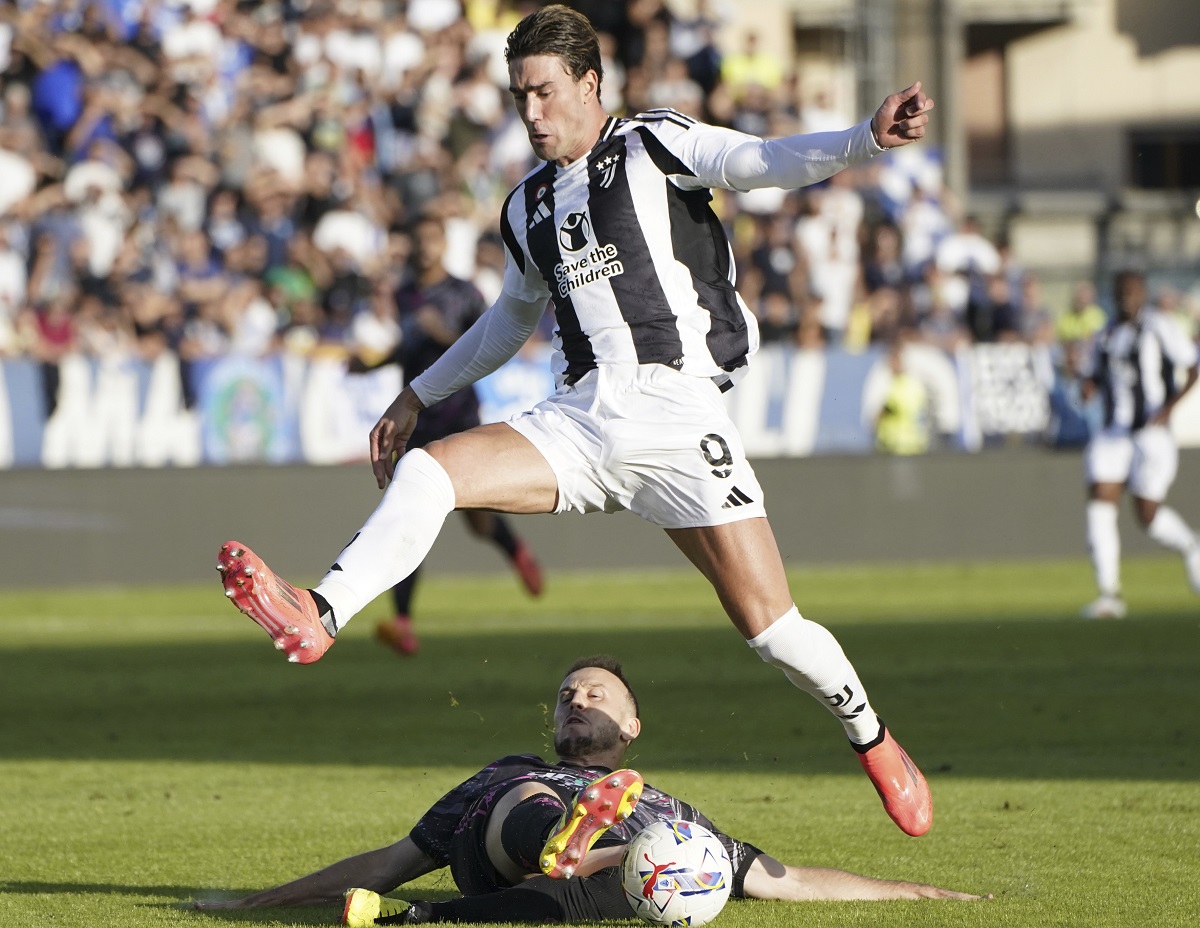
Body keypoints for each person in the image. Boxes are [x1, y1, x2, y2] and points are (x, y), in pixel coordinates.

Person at [216, 5, 937, 837]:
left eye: (545, 93)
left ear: (590, 85)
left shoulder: (654, 143)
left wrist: (866, 138)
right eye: (520, 95)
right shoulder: (525, 207)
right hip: (580, 421)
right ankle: (322, 611)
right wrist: (417, 392)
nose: (531, 113)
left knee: (773, 632)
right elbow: (507, 322)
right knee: (430, 469)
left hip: (675, 412)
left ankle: (873, 739)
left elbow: (759, 160)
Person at [193, 657, 985, 925]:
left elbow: (790, 879)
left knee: (669, 864)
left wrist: (913, 892)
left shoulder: (673, 812)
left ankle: (595, 859)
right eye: (567, 694)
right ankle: (578, 844)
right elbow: (393, 859)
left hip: (621, 860)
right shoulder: (505, 767)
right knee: (536, 810)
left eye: (596, 693)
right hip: (512, 823)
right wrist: (262, 901)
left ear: (633, 725)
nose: (577, 699)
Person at [354, 213, 545, 657]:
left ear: (442, 244)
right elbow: (407, 347)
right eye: (417, 240)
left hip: (457, 413)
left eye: (430, 239)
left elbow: (487, 341)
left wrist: (441, 332)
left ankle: (514, 551)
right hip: (418, 420)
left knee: (477, 519)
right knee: (407, 515)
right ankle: (402, 621)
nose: (424, 248)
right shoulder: (404, 293)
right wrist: (373, 364)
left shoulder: (464, 293)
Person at [1079, 270, 1200, 619]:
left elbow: (1193, 366)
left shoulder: (1159, 327)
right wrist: (1085, 386)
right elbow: (1090, 379)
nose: (1126, 299)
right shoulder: (1104, 336)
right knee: (1100, 501)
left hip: (1151, 433)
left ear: (1143, 294)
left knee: (1147, 514)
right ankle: (1109, 594)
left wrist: (1170, 407)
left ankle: (1191, 546)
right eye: (1121, 293)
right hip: (1113, 433)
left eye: (1132, 292)